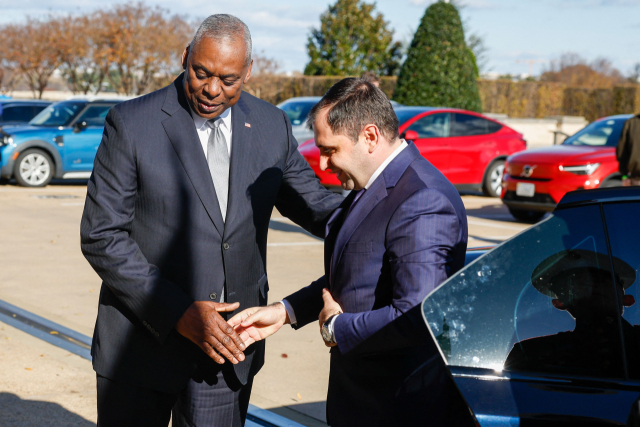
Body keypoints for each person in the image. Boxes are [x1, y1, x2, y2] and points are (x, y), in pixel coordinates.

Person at [80, 14, 342, 427]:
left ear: (248, 72)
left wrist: (384, 210)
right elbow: (101, 235)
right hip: (140, 349)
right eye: (201, 73)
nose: (212, 90)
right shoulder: (131, 124)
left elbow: (316, 206)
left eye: (228, 79)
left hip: (227, 353)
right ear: (185, 57)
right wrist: (177, 311)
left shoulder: (271, 126)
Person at [229, 78, 470, 426]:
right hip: (361, 402)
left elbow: (418, 315)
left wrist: (336, 329)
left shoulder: (423, 200)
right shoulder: (372, 182)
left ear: (369, 137)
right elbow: (358, 273)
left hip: (396, 408)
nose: (324, 165)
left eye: (331, 150)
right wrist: (285, 312)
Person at [504, 249, 640, 378]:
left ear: (627, 299)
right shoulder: (529, 354)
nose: (591, 286)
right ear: (559, 303)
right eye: (577, 283)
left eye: (602, 280)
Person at [617, 114, 640, 186]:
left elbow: (621, 152)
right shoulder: (630, 123)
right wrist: (624, 176)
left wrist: (624, 175)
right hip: (636, 178)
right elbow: (621, 151)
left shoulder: (631, 123)